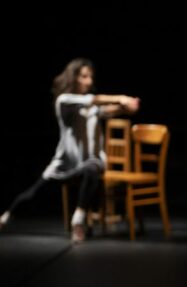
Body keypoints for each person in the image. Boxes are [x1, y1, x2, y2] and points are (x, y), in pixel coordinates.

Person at [0, 58, 140, 243]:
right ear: (73, 78)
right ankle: (6, 216)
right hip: (65, 162)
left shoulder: (92, 108)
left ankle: (78, 222)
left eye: (90, 77)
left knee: (93, 168)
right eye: (84, 76)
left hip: (89, 160)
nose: (89, 81)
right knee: (33, 194)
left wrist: (127, 107)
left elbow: (110, 110)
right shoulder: (64, 101)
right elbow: (93, 99)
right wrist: (120, 97)